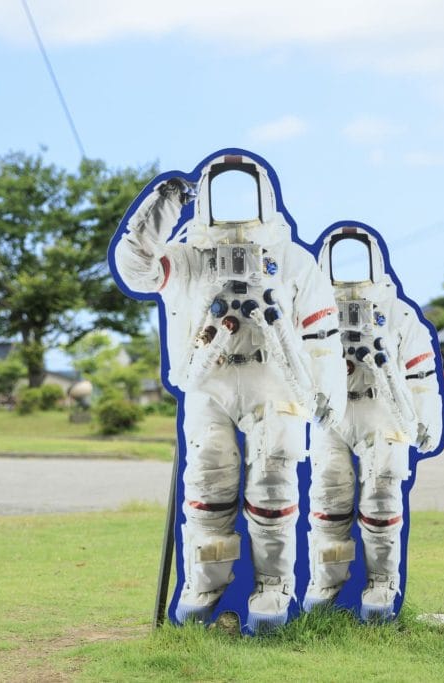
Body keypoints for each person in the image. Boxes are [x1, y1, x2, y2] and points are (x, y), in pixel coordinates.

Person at [111, 151, 346, 632]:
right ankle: (204, 586)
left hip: (276, 382)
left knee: (274, 485)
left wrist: (327, 393)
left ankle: (274, 588)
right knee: (207, 487)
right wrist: (162, 206)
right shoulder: (189, 256)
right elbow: (135, 267)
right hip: (207, 382)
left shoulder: (290, 259)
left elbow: (322, 337)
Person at [302, 222, 444, 620]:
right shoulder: (314, 307)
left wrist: (426, 421)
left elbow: (421, 375)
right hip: (335, 414)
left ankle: (382, 585)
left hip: (384, 412)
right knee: (329, 502)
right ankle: (327, 582)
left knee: (382, 501)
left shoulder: (397, 313)